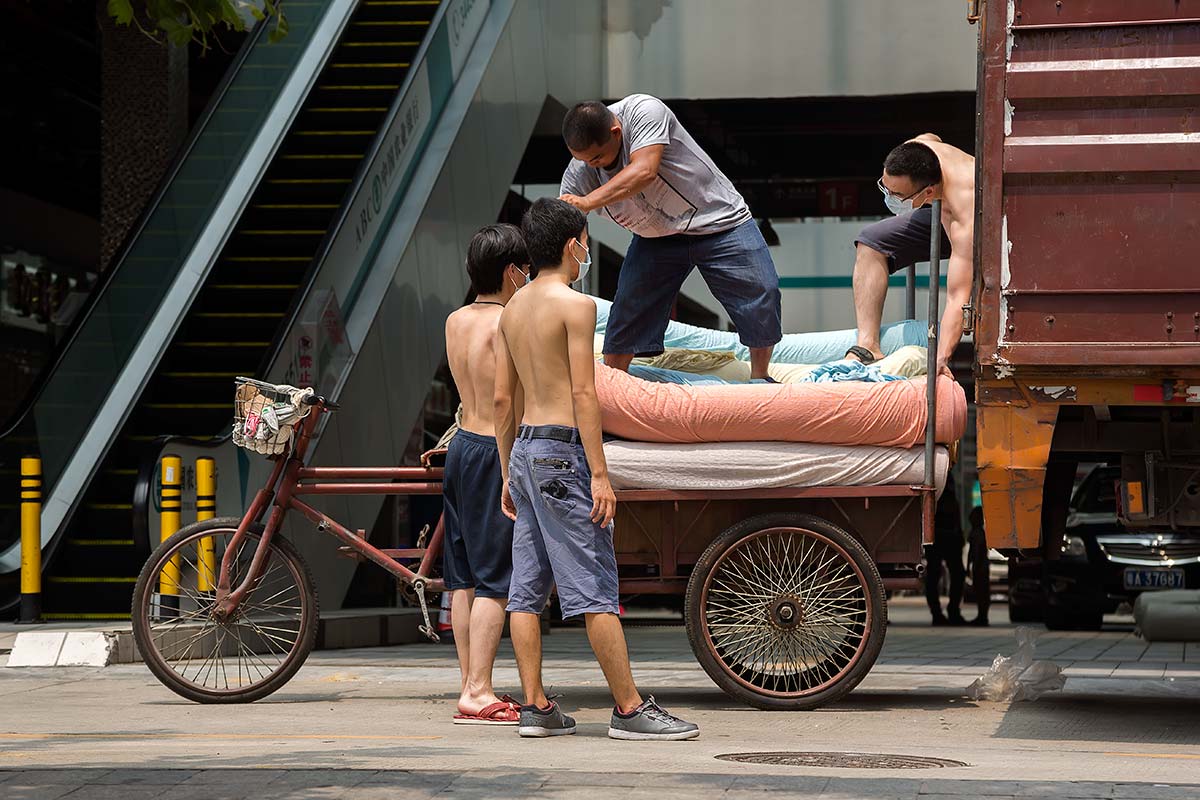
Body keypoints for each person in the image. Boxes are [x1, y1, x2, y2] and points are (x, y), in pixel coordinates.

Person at [494, 198, 699, 741]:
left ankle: (535, 707)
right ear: (572, 245)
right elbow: (586, 393)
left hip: (526, 451)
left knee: (526, 589)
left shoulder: (511, 310)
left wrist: (506, 472)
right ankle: (629, 710)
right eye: (584, 241)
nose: (585, 250)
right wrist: (601, 474)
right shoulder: (576, 306)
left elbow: (502, 401)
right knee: (595, 586)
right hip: (564, 451)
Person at [558, 95, 781, 380]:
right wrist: (557, 279)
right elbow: (567, 222)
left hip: (717, 220)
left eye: (597, 158)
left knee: (762, 289)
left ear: (616, 132)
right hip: (656, 237)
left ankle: (759, 376)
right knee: (628, 309)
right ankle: (614, 383)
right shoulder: (581, 169)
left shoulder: (644, 111)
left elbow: (644, 170)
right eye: (583, 160)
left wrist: (588, 201)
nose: (591, 166)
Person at [441, 223, 531, 725]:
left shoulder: (455, 320)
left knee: (464, 578)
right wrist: (507, 468)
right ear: (512, 272)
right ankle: (478, 689)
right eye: (525, 270)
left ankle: (471, 685)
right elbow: (503, 401)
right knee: (497, 579)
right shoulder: (507, 323)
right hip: (491, 449)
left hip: (460, 446)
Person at [846, 134, 974, 376]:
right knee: (871, 240)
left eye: (897, 196)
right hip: (942, 205)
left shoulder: (964, 212)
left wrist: (941, 357)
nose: (888, 198)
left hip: (981, 224)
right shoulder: (920, 146)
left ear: (927, 193)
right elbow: (931, 136)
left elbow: (958, 295)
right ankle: (868, 345)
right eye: (886, 188)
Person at [926, 475, 966, 626]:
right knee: (934, 575)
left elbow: (954, 509)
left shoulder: (949, 477)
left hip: (949, 534)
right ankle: (938, 612)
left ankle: (952, 610)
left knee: (957, 575)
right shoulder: (937, 475)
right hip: (938, 534)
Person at [966, 505, 990, 626]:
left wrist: (975, 565)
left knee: (982, 592)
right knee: (980, 591)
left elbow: (978, 551)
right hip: (978, 566)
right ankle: (981, 615)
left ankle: (983, 616)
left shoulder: (978, 533)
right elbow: (971, 552)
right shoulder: (975, 532)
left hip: (981, 567)